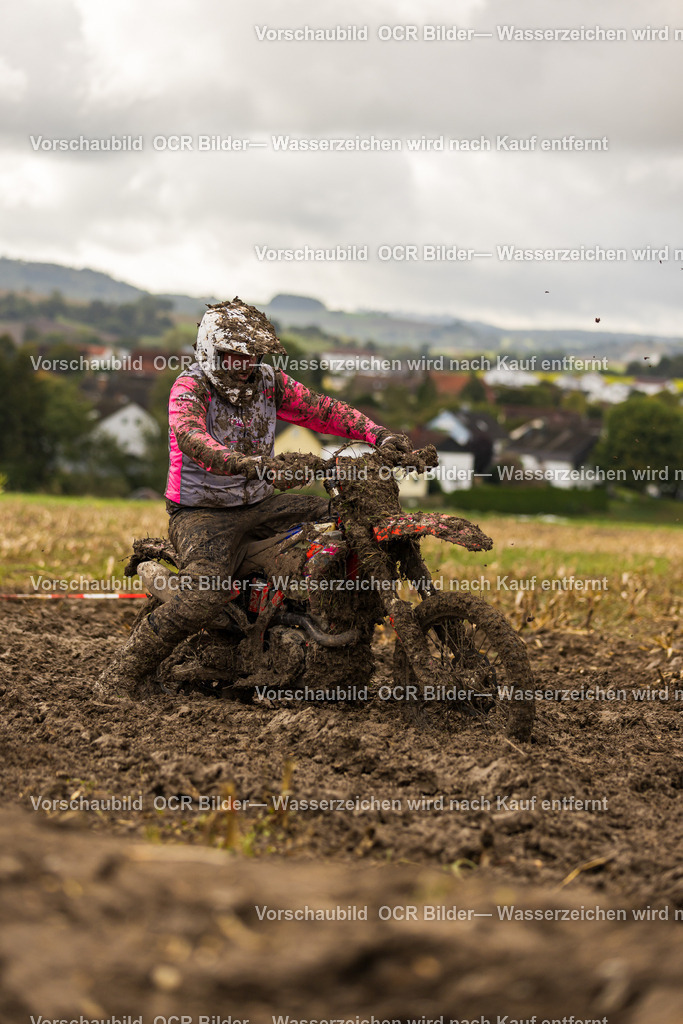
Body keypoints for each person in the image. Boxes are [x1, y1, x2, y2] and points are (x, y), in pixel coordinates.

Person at [95, 297, 411, 698]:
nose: (244, 365)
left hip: (262, 504)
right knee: (204, 593)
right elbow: (193, 438)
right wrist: (248, 464)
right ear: (212, 351)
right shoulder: (190, 388)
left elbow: (323, 410)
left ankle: (316, 623)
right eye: (233, 356)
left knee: (346, 518)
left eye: (251, 356)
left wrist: (378, 434)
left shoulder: (269, 382)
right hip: (201, 514)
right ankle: (121, 675)